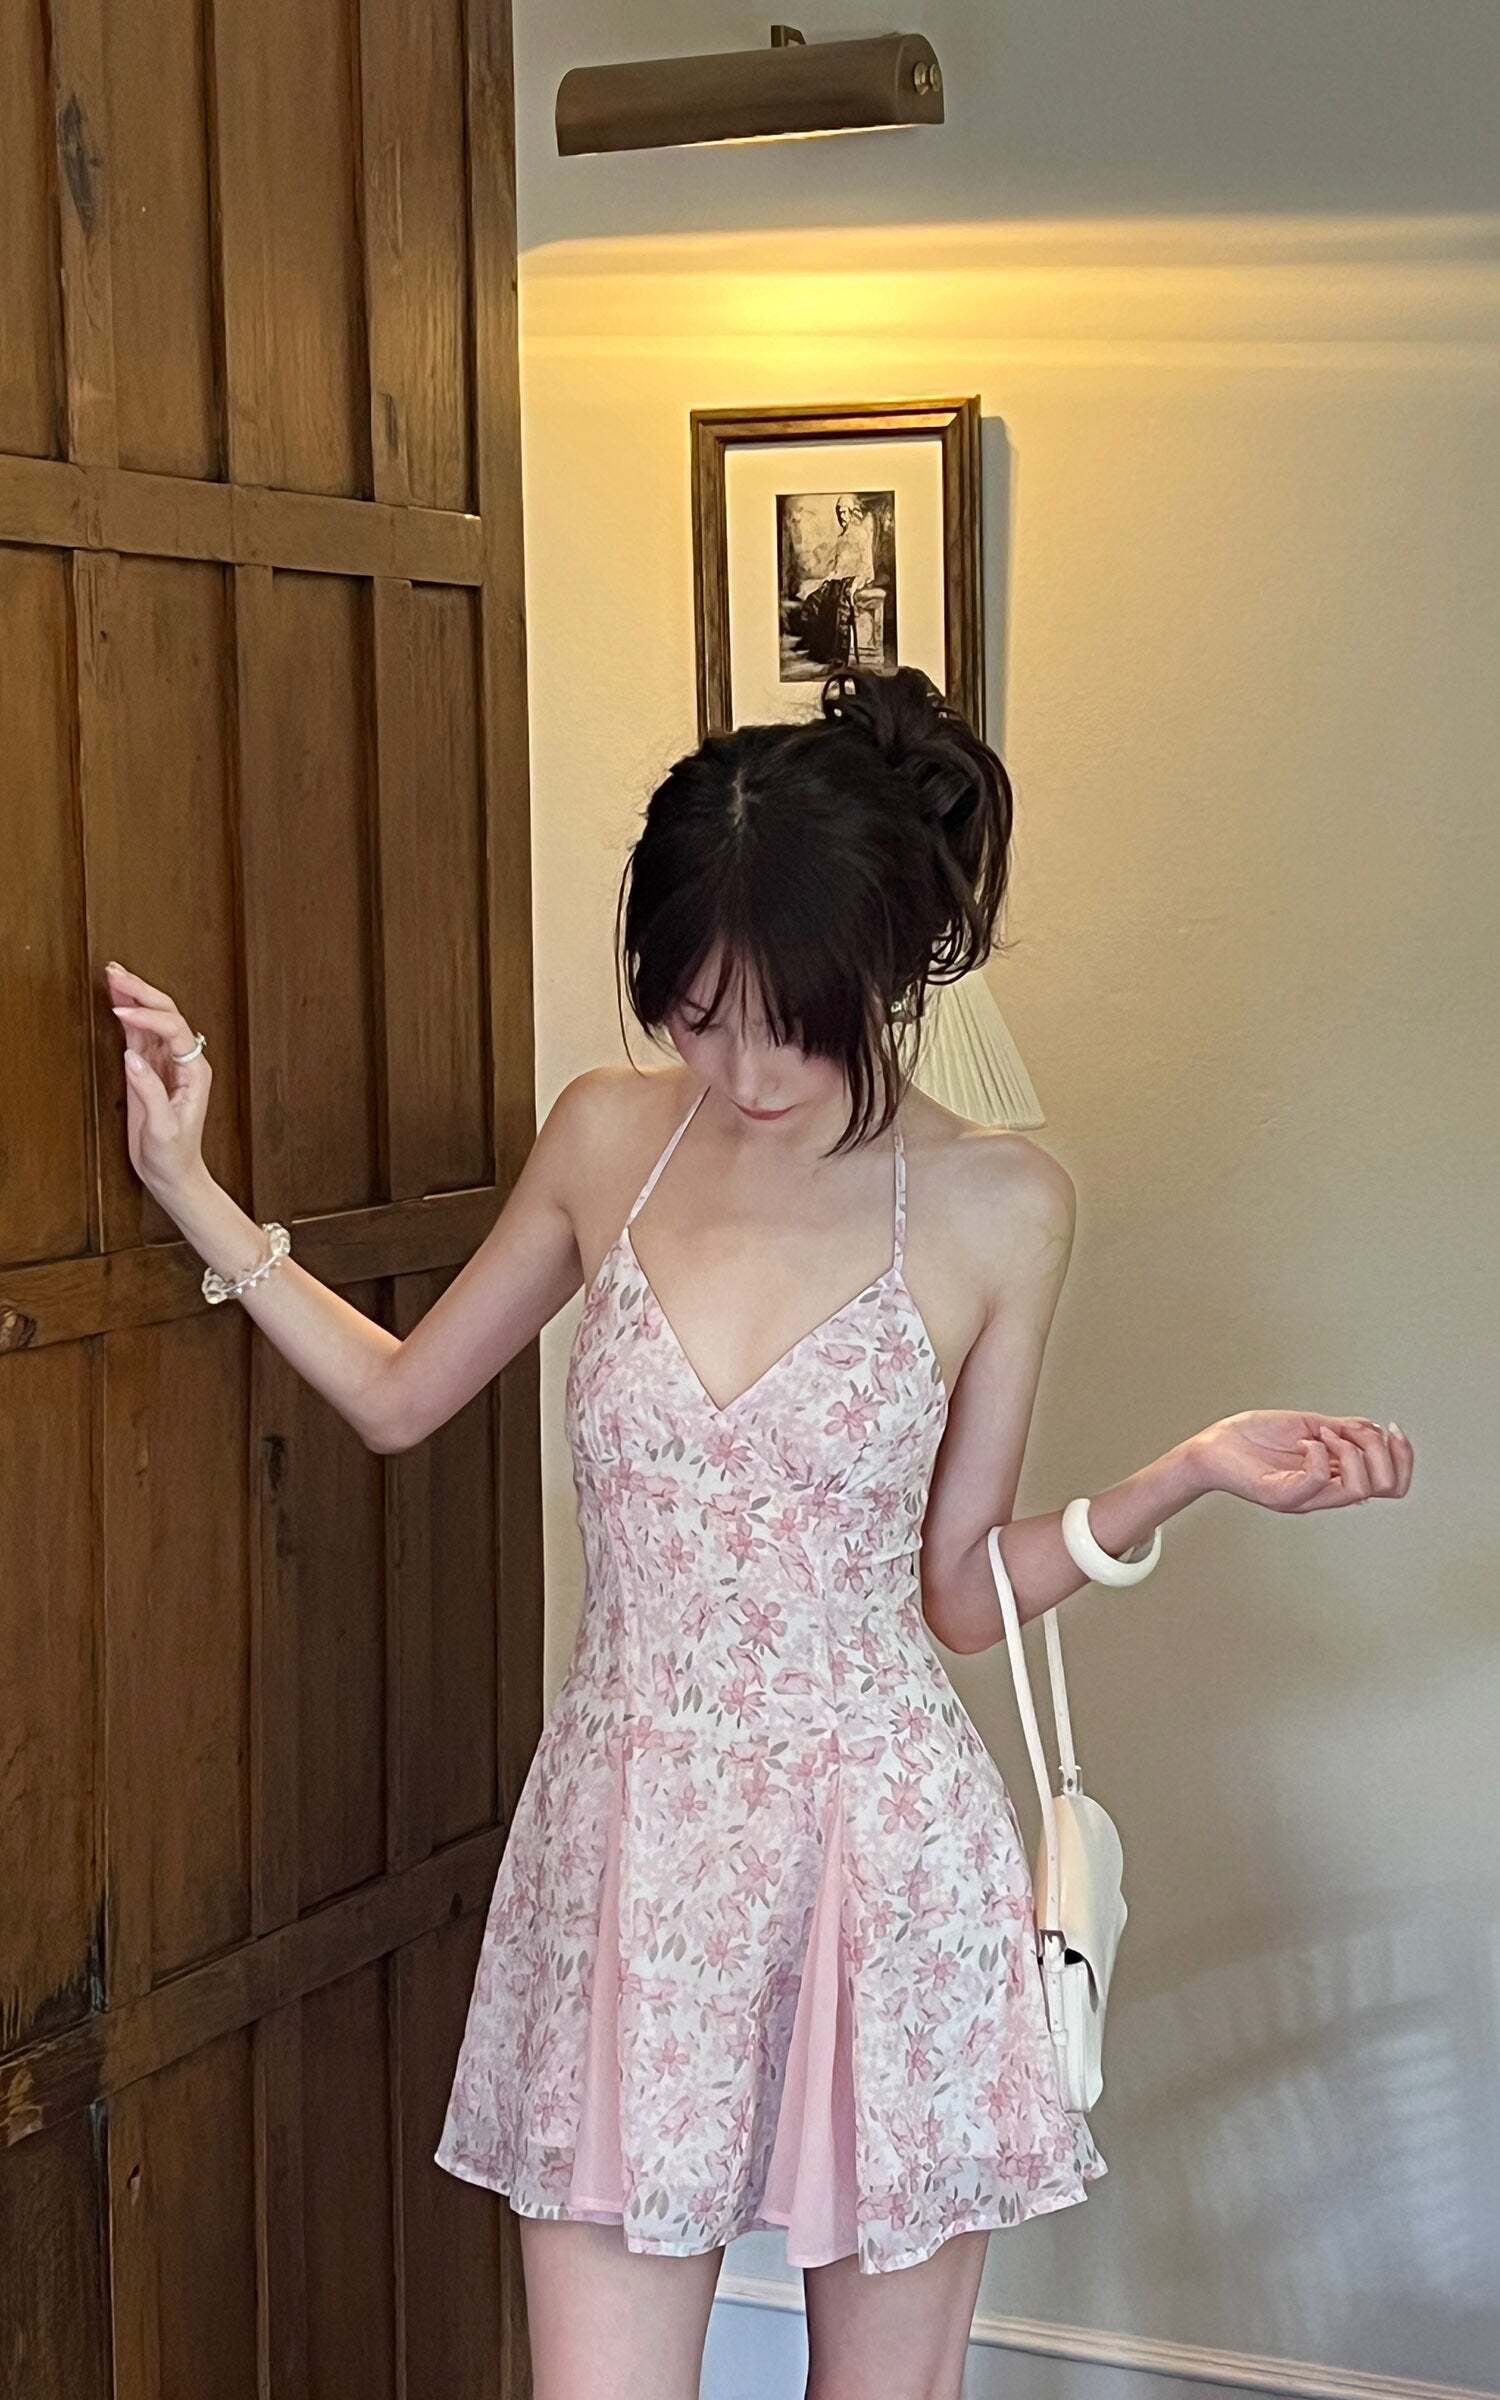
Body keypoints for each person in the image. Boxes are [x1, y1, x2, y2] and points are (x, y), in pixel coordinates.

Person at [106, 663, 1412, 2400]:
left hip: (888, 1862)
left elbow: (959, 1595)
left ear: (891, 968)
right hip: (629, 1850)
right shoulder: (607, 1138)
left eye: (792, 1019)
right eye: (699, 1015)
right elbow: (406, 1397)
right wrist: (192, 1187)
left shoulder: (1002, 1203)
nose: (744, 1068)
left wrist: (1183, 1473)